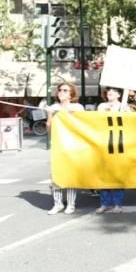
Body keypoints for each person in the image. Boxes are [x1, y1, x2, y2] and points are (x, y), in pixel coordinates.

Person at [46, 83, 84, 215]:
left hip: (72, 146)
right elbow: (49, 129)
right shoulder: (54, 107)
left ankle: (71, 204)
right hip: (57, 146)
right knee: (55, 175)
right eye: (60, 90)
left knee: (70, 175)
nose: (61, 92)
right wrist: (50, 115)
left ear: (71, 94)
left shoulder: (77, 107)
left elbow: (82, 126)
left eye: (65, 90)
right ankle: (58, 203)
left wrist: (71, 114)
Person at [96, 87, 128, 214]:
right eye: (108, 91)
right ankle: (104, 203)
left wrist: (126, 112)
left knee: (117, 174)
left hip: (118, 143)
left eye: (114, 91)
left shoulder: (124, 106)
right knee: (104, 174)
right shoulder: (102, 106)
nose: (110, 93)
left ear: (119, 94)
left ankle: (118, 203)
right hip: (104, 142)